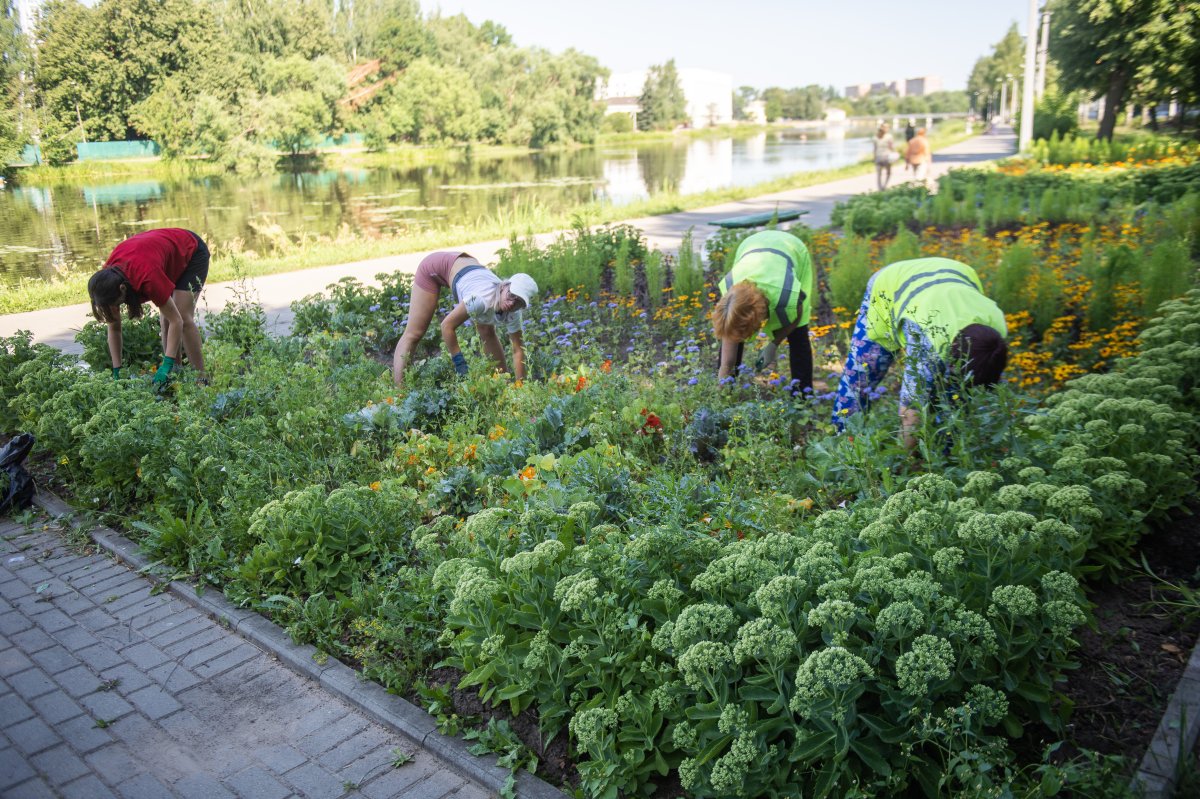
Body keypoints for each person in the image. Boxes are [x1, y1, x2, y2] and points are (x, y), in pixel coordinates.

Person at [832, 257, 1008, 448]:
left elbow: (984, 369)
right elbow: (911, 410)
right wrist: (905, 461)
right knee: (860, 376)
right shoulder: (927, 341)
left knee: (955, 393)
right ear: (952, 359)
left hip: (952, 273)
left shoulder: (997, 330)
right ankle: (844, 445)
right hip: (892, 284)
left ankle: (949, 446)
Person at [392, 251, 538, 386]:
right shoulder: (479, 300)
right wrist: (459, 362)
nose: (512, 303)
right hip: (435, 267)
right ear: (504, 286)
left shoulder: (514, 311)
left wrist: (520, 387)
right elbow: (446, 326)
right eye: (511, 295)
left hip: (465, 265)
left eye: (519, 302)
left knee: (487, 331)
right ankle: (400, 394)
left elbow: (518, 350)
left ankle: (501, 385)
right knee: (414, 333)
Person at [87, 228, 209, 384]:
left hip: (190, 251)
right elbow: (114, 327)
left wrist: (166, 364)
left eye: (116, 304)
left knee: (182, 318)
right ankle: (176, 379)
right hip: (160, 257)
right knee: (165, 320)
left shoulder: (147, 277)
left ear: (123, 289)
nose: (114, 309)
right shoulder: (107, 281)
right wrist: (117, 369)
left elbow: (177, 321)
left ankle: (202, 381)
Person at [711, 229, 815, 394]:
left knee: (798, 336)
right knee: (734, 328)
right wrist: (721, 389)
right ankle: (727, 393)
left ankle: (803, 399)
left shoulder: (787, 294)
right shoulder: (730, 289)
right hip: (751, 245)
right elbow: (728, 350)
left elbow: (796, 317)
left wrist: (773, 344)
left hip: (792, 249)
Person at [873, 123, 896, 191]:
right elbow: (891, 147)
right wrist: (895, 153)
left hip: (878, 157)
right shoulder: (889, 136)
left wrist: (874, 158)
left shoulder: (875, 137)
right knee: (888, 173)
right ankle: (884, 186)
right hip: (886, 157)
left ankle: (880, 188)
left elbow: (874, 149)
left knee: (879, 174)